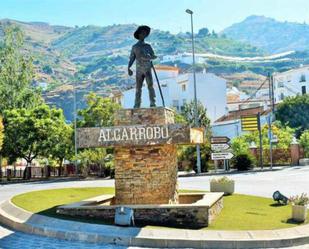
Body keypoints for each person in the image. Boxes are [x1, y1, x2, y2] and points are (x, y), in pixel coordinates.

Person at [128, 25, 157, 108]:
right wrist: (129, 68)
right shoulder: (135, 47)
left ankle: (153, 102)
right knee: (138, 88)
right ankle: (137, 104)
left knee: (150, 86)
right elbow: (131, 58)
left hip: (147, 69)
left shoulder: (148, 46)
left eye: (145, 33)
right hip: (139, 70)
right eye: (142, 33)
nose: (144, 35)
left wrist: (150, 57)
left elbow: (153, 56)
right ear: (139, 34)